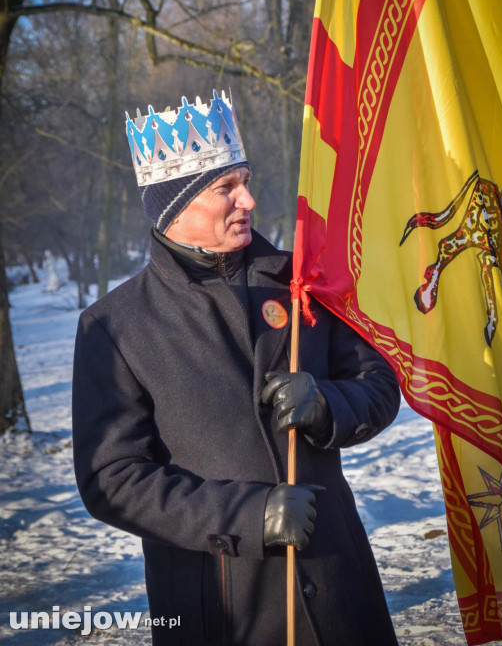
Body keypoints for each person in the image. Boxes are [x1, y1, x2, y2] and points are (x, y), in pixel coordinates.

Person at [72, 90, 401, 646]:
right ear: (174, 207)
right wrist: (251, 516)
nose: (248, 199)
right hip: (223, 607)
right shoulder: (114, 325)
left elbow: (379, 386)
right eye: (226, 188)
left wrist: (326, 403)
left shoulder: (301, 284)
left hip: (339, 585)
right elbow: (113, 479)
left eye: (245, 179)